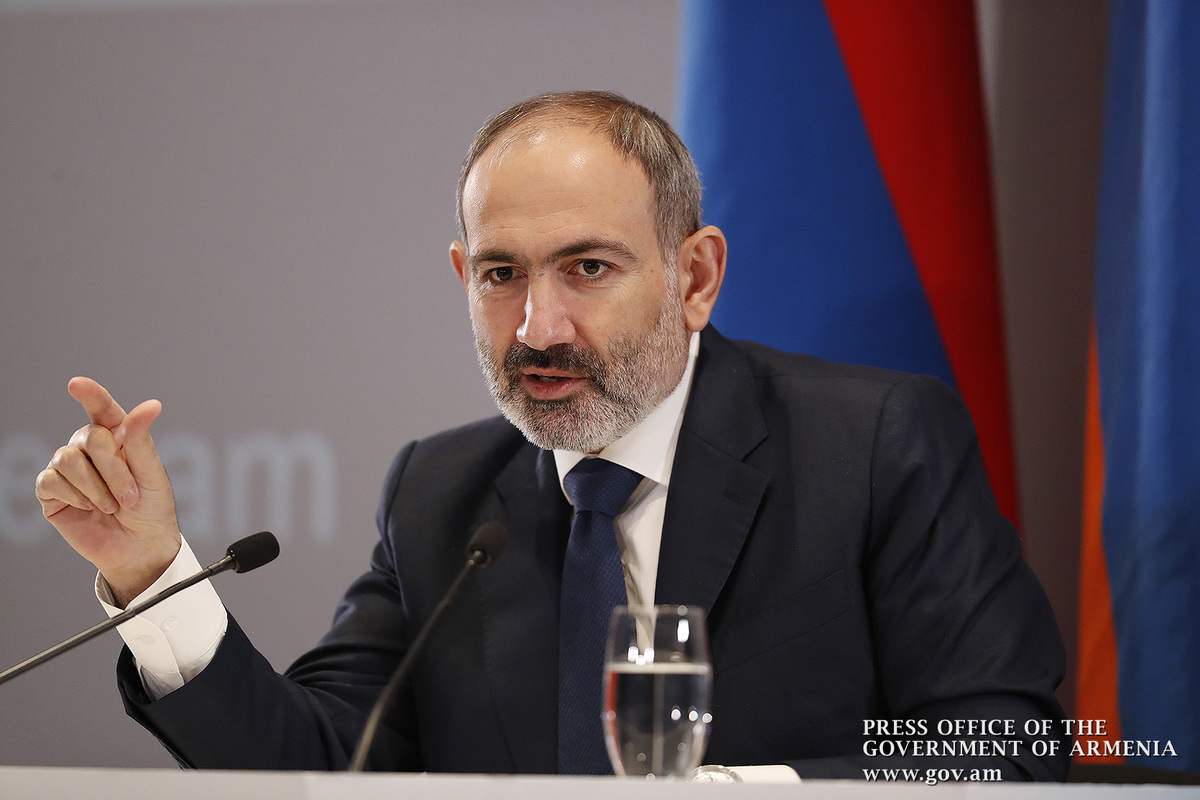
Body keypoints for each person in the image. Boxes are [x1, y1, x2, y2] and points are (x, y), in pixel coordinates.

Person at [35, 91, 1068, 780]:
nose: (538, 328)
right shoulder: (440, 492)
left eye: (588, 268)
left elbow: (1006, 745)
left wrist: (733, 792)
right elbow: (320, 765)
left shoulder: (874, 445)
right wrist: (152, 574)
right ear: (462, 276)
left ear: (695, 276)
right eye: (502, 274)